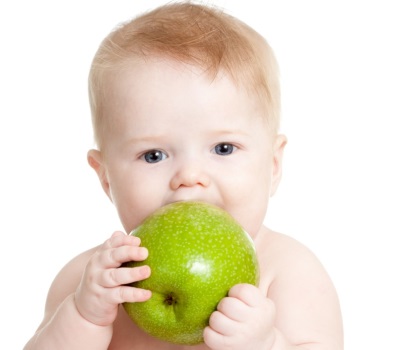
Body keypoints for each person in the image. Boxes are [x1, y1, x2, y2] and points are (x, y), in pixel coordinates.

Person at [23, 2, 343, 349]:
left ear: (273, 166)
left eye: (223, 148)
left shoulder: (288, 272)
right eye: (154, 155)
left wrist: (267, 344)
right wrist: (84, 318)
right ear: (106, 179)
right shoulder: (88, 282)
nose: (190, 177)